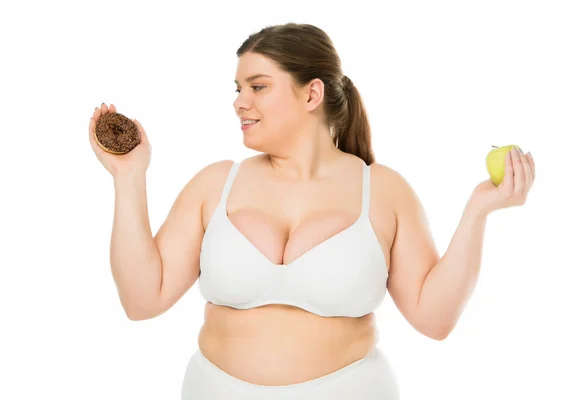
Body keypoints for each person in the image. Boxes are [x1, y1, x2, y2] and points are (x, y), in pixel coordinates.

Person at [88, 23, 535, 400]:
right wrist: (129, 177)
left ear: (312, 94)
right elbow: (142, 300)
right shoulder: (216, 183)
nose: (239, 101)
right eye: (238, 88)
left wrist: (478, 211)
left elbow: (434, 320)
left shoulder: (382, 190)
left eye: (258, 87)